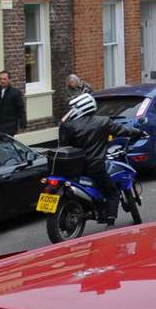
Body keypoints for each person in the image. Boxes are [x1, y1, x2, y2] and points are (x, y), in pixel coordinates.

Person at [57, 92, 134, 224]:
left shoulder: (69, 126)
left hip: (75, 169)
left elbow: (64, 146)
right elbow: (124, 130)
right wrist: (138, 132)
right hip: (94, 167)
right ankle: (110, 223)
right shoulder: (103, 122)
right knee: (112, 192)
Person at [0, 70, 25, 135]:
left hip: (10, 126)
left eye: (4, 79)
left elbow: (20, 109)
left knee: (7, 144)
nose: (2, 81)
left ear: (9, 79)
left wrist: (22, 124)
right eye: (0, 79)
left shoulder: (15, 93)